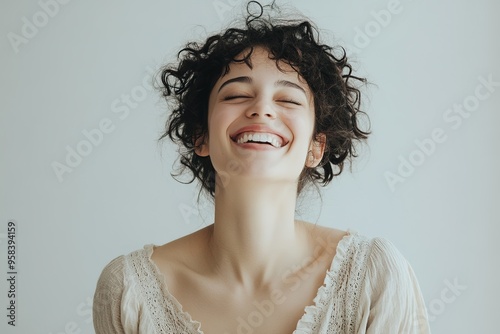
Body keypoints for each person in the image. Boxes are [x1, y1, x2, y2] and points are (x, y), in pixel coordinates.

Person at [93, 1, 431, 333]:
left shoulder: (374, 278)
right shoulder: (129, 290)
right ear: (202, 138)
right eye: (236, 95)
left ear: (316, 147)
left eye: (288, 100)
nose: (261, 109)